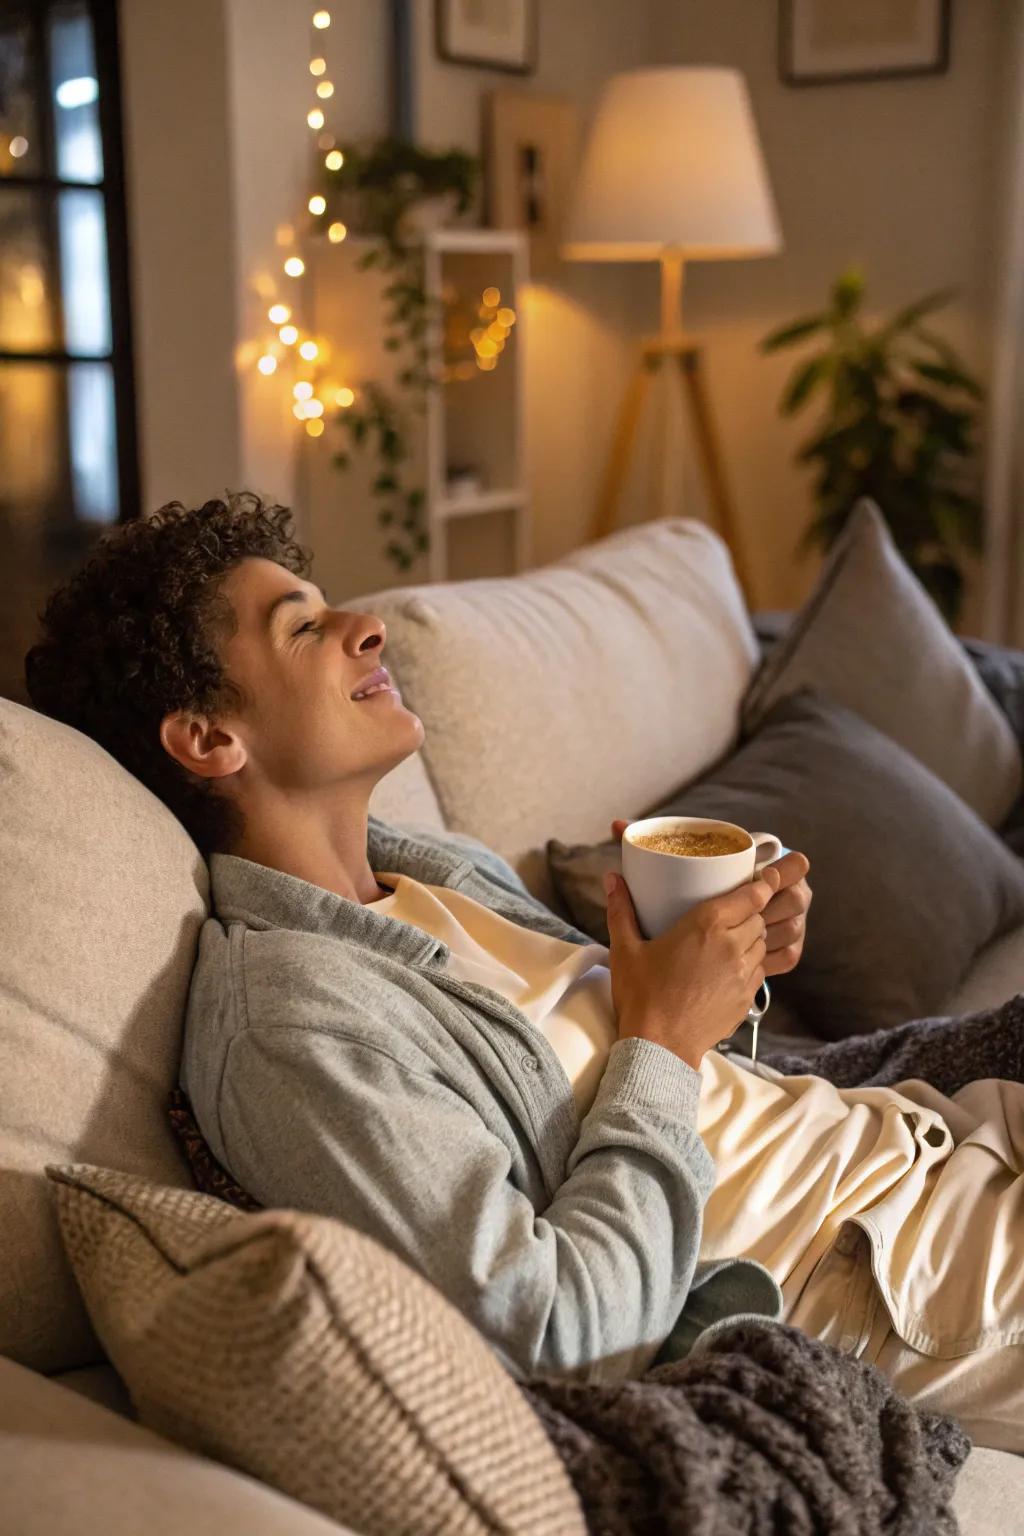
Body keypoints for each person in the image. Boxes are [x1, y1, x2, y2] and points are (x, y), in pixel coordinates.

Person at [24, 493, 1024, 1453]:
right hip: (893, 1274)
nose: (368, 626)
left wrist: (727, 978)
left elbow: (669, 1090)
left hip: (929, 1137)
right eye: (303, 628)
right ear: (208, 739)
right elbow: (551, 1332)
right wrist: (663, 1038)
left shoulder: (436, 870)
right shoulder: (294, 1028)